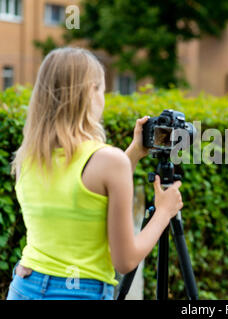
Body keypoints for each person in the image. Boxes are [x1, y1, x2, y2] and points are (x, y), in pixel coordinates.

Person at [7, 47, 183, 300]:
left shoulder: (28, 157)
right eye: (101, 89)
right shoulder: (108, 161)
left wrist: (133, 153)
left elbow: (87, 192)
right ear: (89, 92)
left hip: (24, 286)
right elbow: (126, 261)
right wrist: (164, 212)